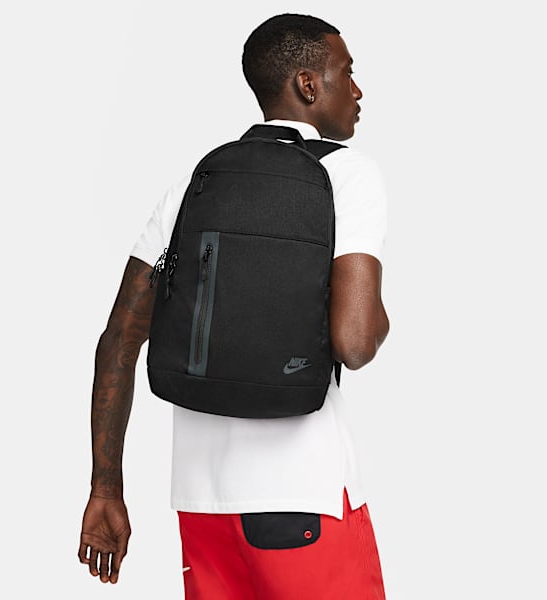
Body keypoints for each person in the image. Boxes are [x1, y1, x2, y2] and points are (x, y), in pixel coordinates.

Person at [78, 13, 390, 599]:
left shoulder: (193, 183)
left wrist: (106, 489)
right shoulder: (347, 175)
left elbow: (118, 340)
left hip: (201, 507)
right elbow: (355, 342)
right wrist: (380, 317)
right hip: (306, 501)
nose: (358, 90)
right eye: (346, 72)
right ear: (307, 84)